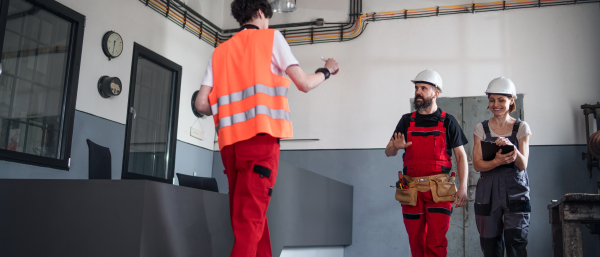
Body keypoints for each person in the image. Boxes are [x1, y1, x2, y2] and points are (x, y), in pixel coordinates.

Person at [193, 1, 339, 256]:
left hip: (229, 148)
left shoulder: (220, 52)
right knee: (250, 226)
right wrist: (326, 71)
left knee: (251, 221)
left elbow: (202, 103)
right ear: (260, 13)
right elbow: (303, 83)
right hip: (260, 143)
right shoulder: (272, 39)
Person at [385, 69, 469, 257]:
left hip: (440, 190)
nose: (418, 92)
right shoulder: (406, 121)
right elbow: (388, 152)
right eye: (416, 88)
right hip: (410, 188)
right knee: (416, 244)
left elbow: (461, 156)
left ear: (436, 93)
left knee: (436, 243)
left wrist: (463, 187)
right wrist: (395, 147)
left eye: (424, 88)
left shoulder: (448, 121)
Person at [472, 77, 531, 257]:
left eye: (501, 100)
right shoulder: (481, 129)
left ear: (511, 100)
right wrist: (496, 161)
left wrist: (511, 147)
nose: (495, 104)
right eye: (492, 100)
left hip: (515, 191)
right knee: (490, 247)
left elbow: (522, 164)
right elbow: (476, 164)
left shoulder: (521, 128)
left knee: (516, 244)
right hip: (487, 193)